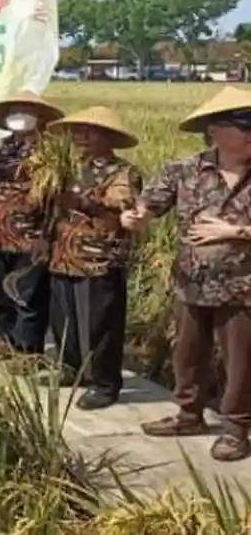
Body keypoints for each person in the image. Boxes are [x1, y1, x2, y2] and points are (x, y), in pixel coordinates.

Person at [122, 86, 251, 462]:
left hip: (244, 288)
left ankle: (236, 429)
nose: (249, 134)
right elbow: (149, 204)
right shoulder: (184, 170)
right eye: (241, 126)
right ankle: (188, 415)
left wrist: (235, 233)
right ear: (214, 130)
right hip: (191, 284)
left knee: (241, 362)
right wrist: (136, 215)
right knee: (188, 355)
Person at [42, 107, 142, 411]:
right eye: (77, 131)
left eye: (90, 132)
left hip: (99, 257)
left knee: (101, 323)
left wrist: (84, 201)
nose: (81, 138)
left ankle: (105, 383)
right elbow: (52, 209)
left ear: (108, 137)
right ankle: (71, 369)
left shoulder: (122, 171)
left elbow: (121, 201)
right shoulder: (65, 168)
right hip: (64, 254)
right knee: (64, 319)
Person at [0, 90, 64, 363]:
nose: (18, 116)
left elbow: (56, 199)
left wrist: (47, 236)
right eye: (14, 111)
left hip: (29, 236)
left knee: (28, 295)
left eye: (25, 110)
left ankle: (28, 350)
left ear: (40, 116)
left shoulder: (51, 153)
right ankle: (6, 340)